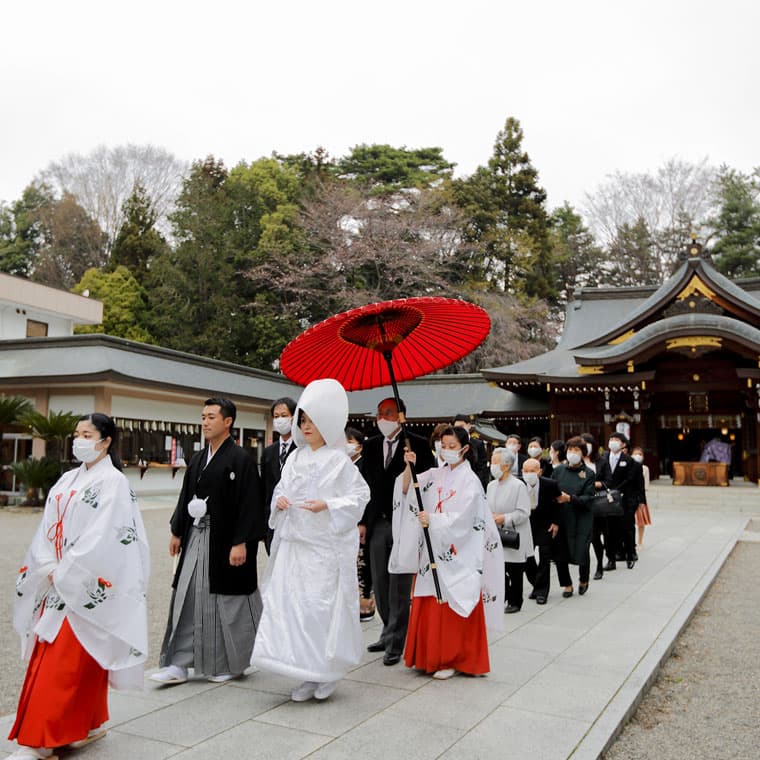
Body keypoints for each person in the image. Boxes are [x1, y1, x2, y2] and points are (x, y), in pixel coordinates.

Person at [8, 414, 150, 760]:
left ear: (106, 442)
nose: (79, 440)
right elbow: (47, 527)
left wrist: (69, 570)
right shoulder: (67, 479)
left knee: (67, 659)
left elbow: (107, 535)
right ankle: (85, 723)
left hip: (83, 579)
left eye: (87, 434)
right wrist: (47, 563)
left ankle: (43, 739)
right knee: (71, 656)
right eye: (77, 435)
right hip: (59, 576)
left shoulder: (114, 483)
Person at [251, 379, 370, 702]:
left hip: (323, 548)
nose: (306, 426)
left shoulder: (339, 460)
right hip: (295, 545)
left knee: (320, 609)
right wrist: (281, 502)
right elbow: (281, 489)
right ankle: (303, 672)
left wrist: (328, 505)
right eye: (302, 421)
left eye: (311, 421)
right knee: (294, 608)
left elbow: (360, 496)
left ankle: (325, 672)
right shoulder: (295, 458)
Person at [152, 398, 265, 686]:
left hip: (227, 540)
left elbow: (251, 504)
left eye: (211, 416)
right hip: (197, 535)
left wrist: (241, 542)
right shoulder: (199, 459)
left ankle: (231, 663)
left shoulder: (242, 460)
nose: (205, 422)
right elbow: (185, 495)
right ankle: (179, 662)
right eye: (203, 416)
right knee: (188, 594)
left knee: (226, 602)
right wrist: (178, 530)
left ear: (228, 422)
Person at [391, 426, 503, 679]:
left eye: (453, 446)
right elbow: (411, 488)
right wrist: (410, 465)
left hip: (457, 549)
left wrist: (434, 519)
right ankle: (428, 656)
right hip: (433, 545)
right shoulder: (435, 473)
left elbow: (467, 517)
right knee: (430, 596)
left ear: (464, 449)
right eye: (444, 445)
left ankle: (453, 658)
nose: (447, 450)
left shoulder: (470, 480)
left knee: (454, 597)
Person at [360, 397, 435, 666]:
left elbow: (428, 481)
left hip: (405, 521)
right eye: (379, 413)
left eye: (389, 413)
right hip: (378, 521)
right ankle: (387, 628)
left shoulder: (418, 443)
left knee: (399, 584)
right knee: (380, 581)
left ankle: (396, 640)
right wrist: (363, 522)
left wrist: (411, 465)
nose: (382, 417)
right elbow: (364, 486)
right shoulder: (370, 446)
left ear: (401, 415)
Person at [487, 447, 533, 613]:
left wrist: (503, 518)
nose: (492, 466)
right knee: (499, 569)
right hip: (496, 533)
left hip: (514, 534)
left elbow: (523, 512)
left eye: (495, 463)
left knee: (515, 570)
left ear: (506, 466)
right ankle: (502, 596)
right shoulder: (491, 485)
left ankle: (515, 601)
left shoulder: (518, 486)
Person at [553, 437, 596, 597]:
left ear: (583, 453)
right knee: (560, 551)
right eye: (570, 450)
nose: (572, 453)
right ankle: (567, 584)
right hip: (562, 516)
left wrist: (570, 498)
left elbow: (589, 498)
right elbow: (552, 492)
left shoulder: (589, 474)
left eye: (576, 450)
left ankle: (583, 579)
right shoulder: (558, 471)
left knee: (582, 549)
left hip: (581, 518)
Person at [595, 432, 639, 569]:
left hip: (624, 498)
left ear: (623, 444)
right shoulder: (603, 458)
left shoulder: (629, 460)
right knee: (609, 530)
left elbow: (630, 479)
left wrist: (617, 490)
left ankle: (630, 554)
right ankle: (611, 557)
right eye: (611, 439)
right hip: (607, 500)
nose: (612, 441)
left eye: (616, 439)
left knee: (627, 528)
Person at [521, 457, 561, 604]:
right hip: (525, 525)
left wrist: (556, 522)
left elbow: (558, 503)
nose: (529, 474)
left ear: (539, 471)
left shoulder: (550, 484)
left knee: (545, 557)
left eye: (532, 471)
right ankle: (537, 584)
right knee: (527, 559)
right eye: (526, 471)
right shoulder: (518, 484)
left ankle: (542, 592)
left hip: (545, 525)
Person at [260, 397, 297, 553]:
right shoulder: (269, 452)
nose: (280, 420)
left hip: (294, 519)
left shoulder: (303, 449)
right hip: (272, 519)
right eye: (276, 416)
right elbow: (264, 489)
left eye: (284, 415)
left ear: (294, 418)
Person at [346, 426, 374, 622]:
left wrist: (363, 522)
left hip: (360, 521)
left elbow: (367, 496)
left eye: (350, 442)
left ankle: (365, 603)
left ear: (359, 446)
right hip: (344, 522)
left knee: (361, 564)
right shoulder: (342, 465)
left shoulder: (365, 465)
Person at [453, 413, 489, 488]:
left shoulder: (478, 444)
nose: (459, 429)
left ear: (468, 425)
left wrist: (475, 483)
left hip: (474, 483)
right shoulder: (452, 445)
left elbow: (482, 467)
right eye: (456, 427)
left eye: (461, 426)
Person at [631, 446, 651, 551]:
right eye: (635, 453)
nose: (637, 456)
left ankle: (640, 541)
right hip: (629, 497)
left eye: (640, 454)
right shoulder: (628, 467)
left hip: (640, 497)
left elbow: (646, 486)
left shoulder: (645, 469)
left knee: (641, 522)